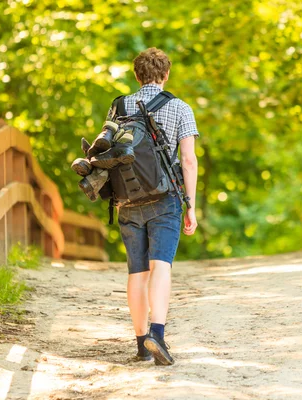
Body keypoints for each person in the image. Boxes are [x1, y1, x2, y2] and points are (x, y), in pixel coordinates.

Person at [114, 48, 199, 365]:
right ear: (166, 75)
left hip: (128, 199)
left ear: (137, 76)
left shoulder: (119, 106)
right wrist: (190, 204)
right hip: (166, 199)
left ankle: (140, 345)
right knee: (160, 266)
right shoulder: (180, 108)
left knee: (137, 272)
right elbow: (188, 160)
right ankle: (157, 335)